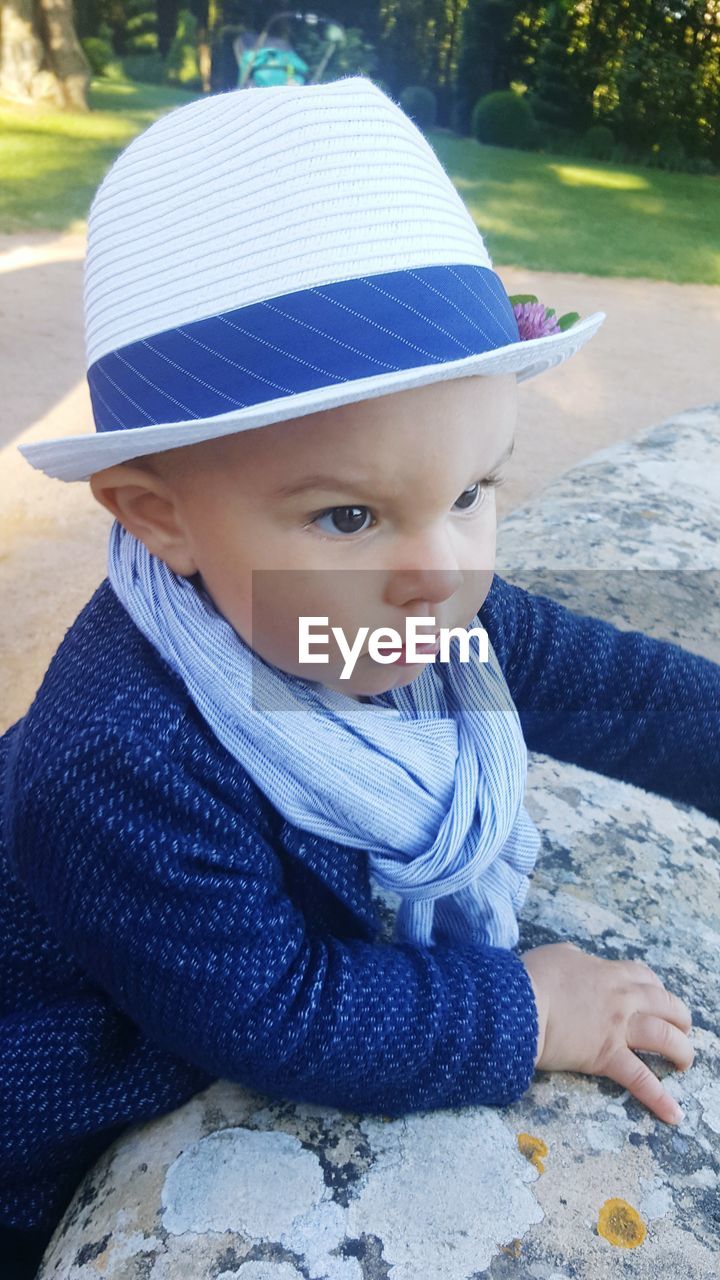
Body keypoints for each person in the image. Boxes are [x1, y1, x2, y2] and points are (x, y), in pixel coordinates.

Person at [2, 76, 716, 1276]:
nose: (438, 571)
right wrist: (526, 1008)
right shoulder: (126, 750)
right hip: (42, 1103)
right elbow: (268, 1005)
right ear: (157, 517)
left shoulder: (377, 610)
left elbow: (616, 689)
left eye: (473, 491)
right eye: (348, 514)